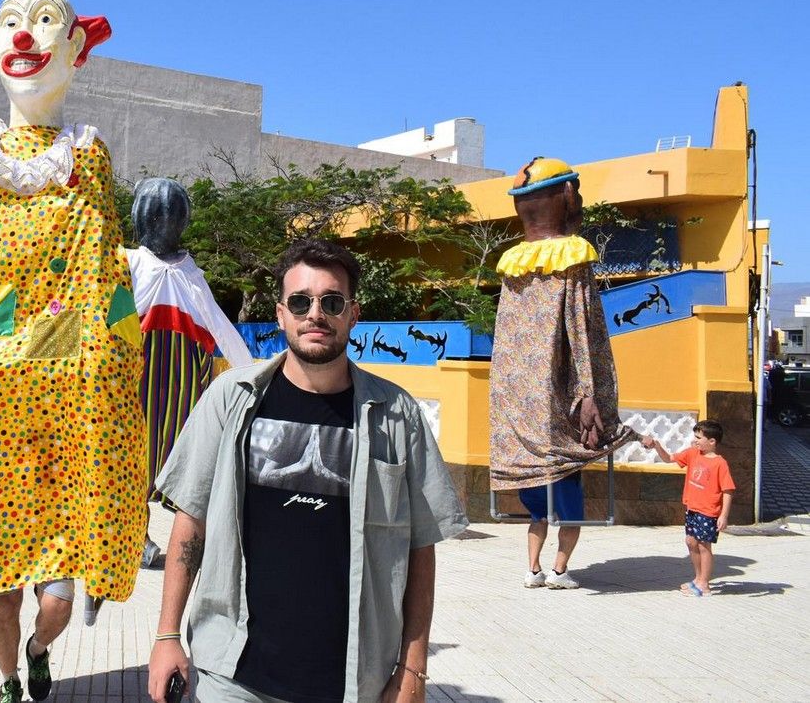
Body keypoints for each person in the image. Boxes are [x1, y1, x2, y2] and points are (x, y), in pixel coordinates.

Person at [0, 0, 144, 703]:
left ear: (77, 49)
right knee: (0, 594)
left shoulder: (88, 154)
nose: (26, 37)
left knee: (52, 600)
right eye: (13, 24)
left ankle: (43, 649)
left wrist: (115, 362)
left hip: (66, 396)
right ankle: (11, 681)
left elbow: (107, 265)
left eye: (45, 22)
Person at [147, 239, 467, 703]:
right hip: (233, 672)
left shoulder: (397, 415)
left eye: (331, 302)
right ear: (281, 315)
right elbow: (189, 521)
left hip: (354, 678)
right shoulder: (229, 398)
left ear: (353, 315)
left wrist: (413, 670)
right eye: (301, 301)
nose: (315, 314)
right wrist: (166, 635)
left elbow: (420, 548)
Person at [489, 157, 632, 590]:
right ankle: (557, 571)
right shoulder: (572, 257)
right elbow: (583, 333)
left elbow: (510, 358)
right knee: (571, 511)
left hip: (521, 428)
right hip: (560, 428)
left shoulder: (513, 266)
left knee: (536, 512)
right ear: (568, 195)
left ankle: (534, 571)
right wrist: (589, 395)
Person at [127, 177, 253, 567]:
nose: (168, 222)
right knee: (130, 465)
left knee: (187, 462)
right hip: (134, 383)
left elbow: (219, 326)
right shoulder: (127, 263)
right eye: (162, 214)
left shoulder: (190, 274)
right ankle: (133, 540)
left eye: (174, 215)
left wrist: (252, 373)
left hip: (183, 388)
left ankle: (191, 539)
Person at [642, 423, 735, 596]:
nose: (695, 441)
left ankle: (704, 585)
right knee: (691, 542)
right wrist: (657, 446)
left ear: (712, 441)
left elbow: (728, 490)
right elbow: (669, 458)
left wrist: (724, 515)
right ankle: (698, 578)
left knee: (703, 546)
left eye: (699, 438)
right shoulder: (692, 454)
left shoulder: (720, 464)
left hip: (708, 512)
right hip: (692, 508)